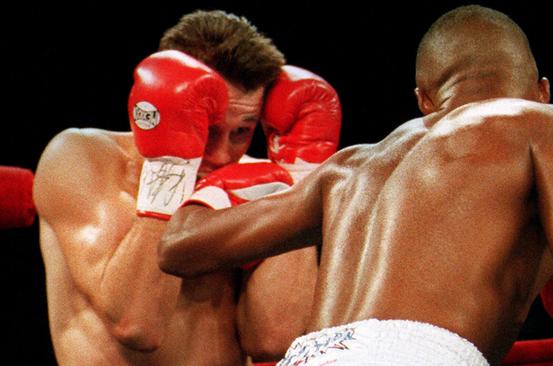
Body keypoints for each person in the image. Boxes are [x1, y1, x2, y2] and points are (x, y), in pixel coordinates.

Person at [157, 5, 553, 365]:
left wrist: (203, 175)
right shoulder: (540, 122)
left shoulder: (349, 167)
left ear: (424, 100)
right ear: (542, 90)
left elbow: (179, 247)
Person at [34, 10, 340, 365]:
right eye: (207, 128)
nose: (224, 154)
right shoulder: (82, 158)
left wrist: (296, 185)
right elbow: (138, 325)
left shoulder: (260, 180)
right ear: (164, 108)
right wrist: (172, 168)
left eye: (242, 131)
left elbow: (276, 338)